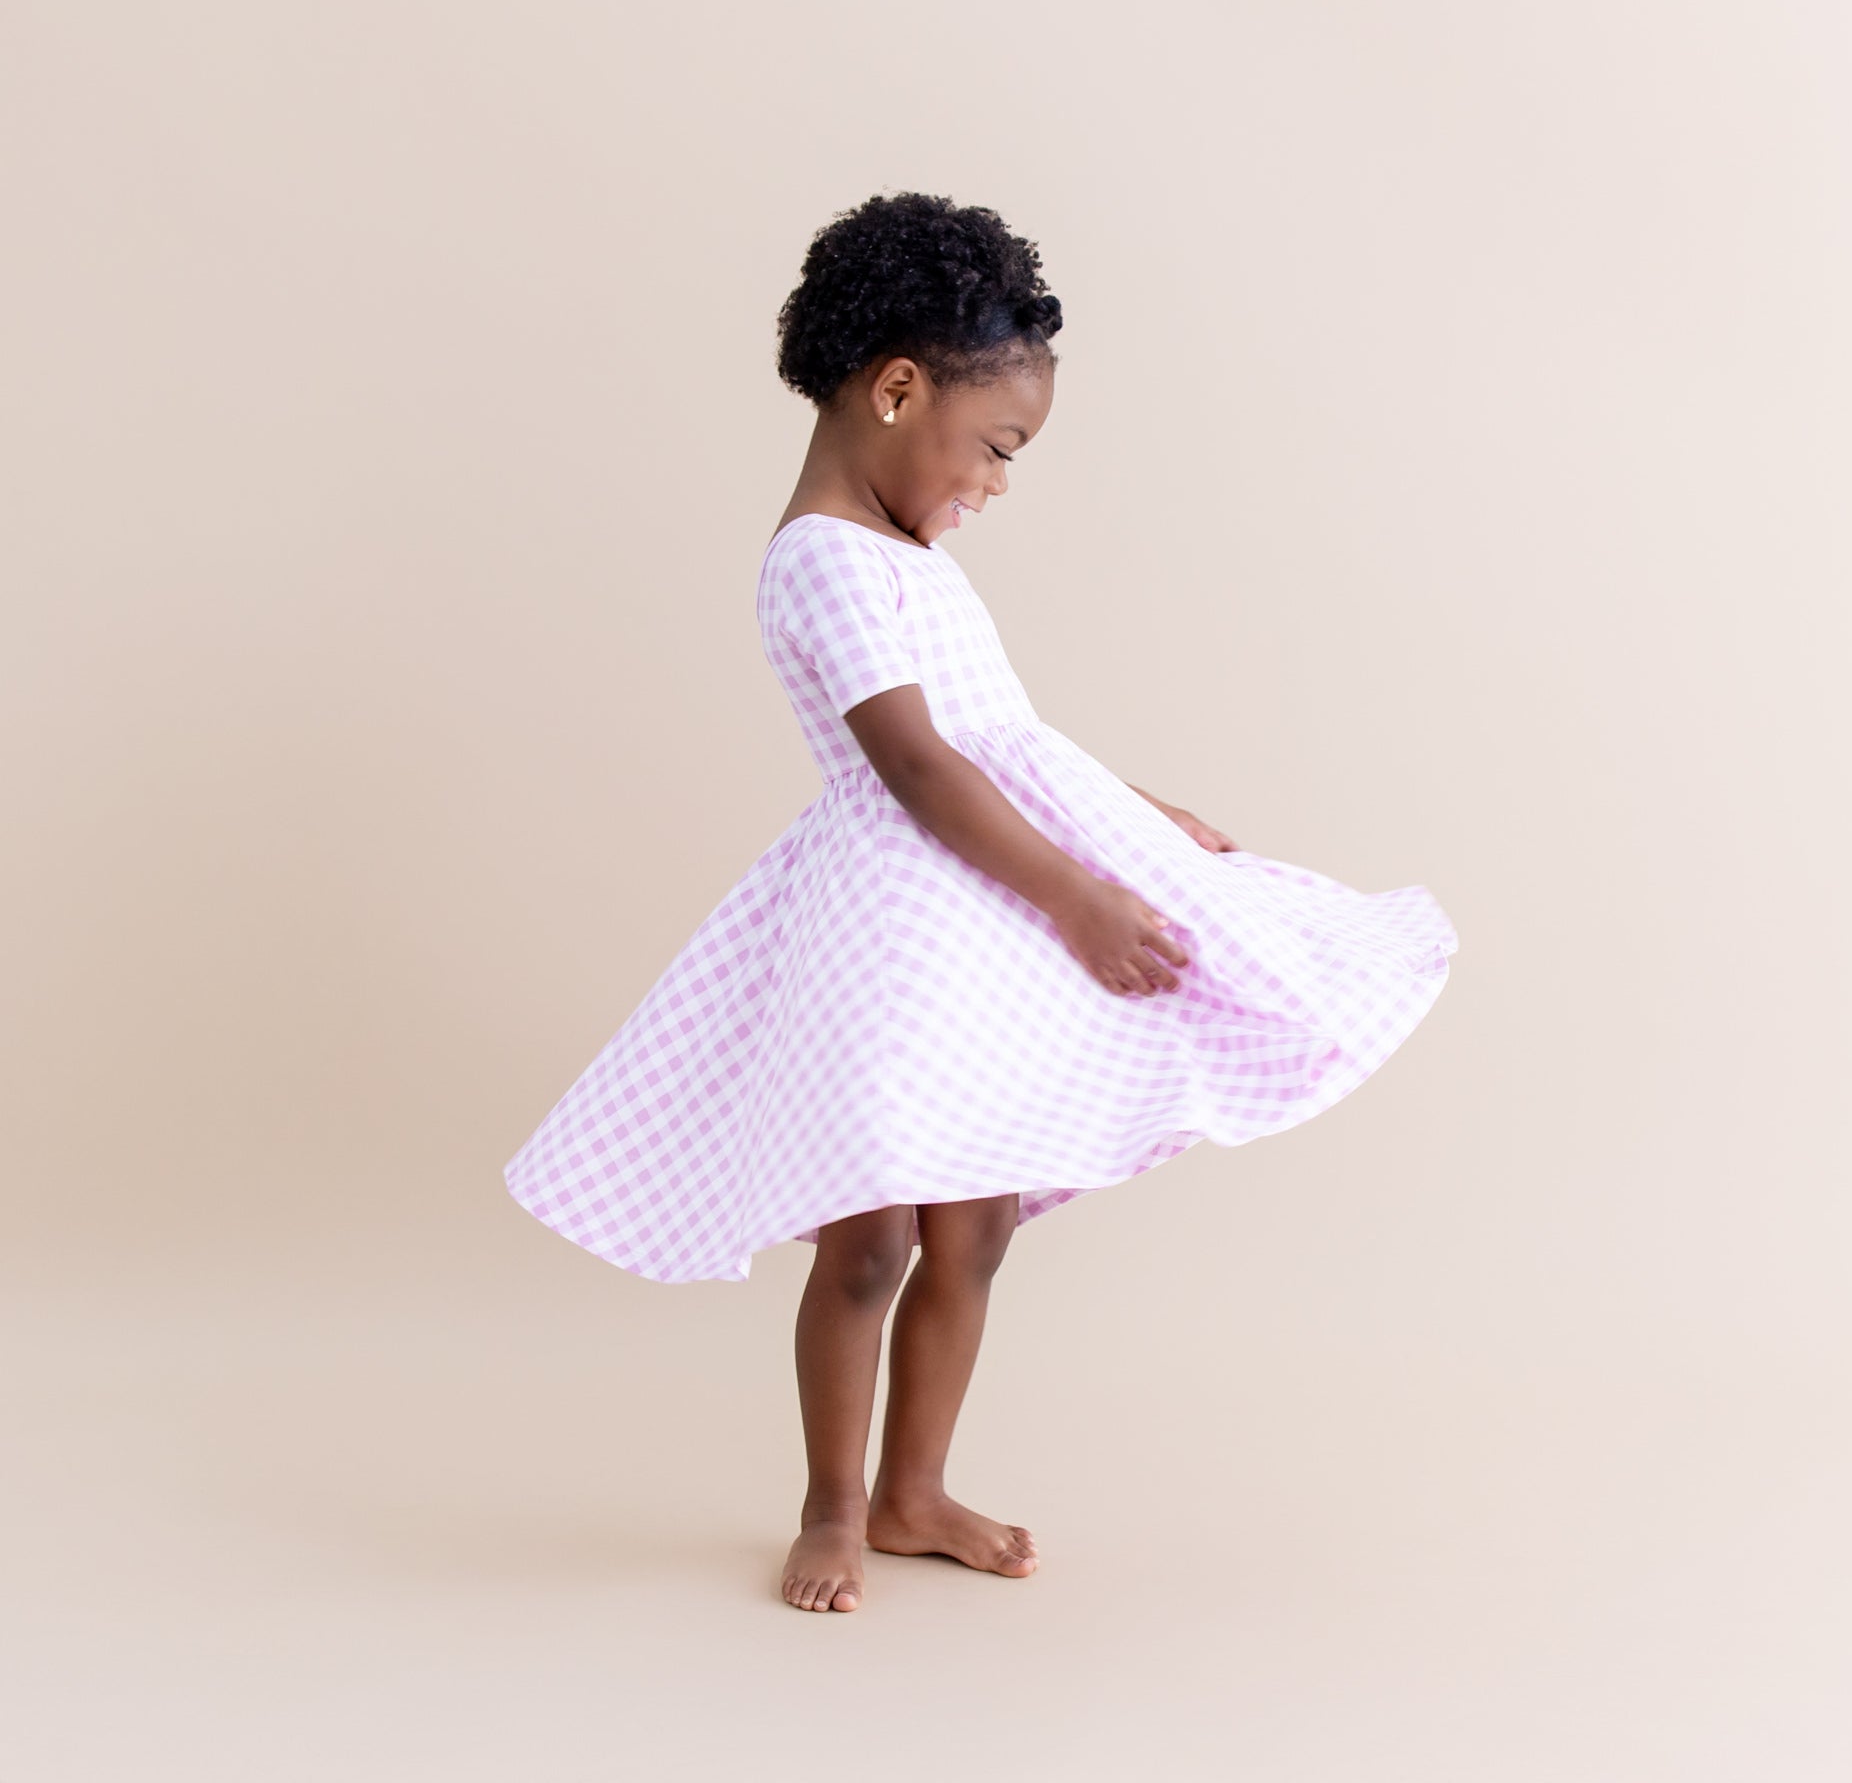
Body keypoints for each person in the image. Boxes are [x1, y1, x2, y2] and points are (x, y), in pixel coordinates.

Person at [502, 191, 1459, 1615]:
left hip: (977, 910)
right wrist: (1079, 897)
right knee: (871, 1238)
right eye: (999, 446)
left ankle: (913, 1490)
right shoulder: (824, 557)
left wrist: (1134, 811)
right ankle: (833, 1506)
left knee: (976, 1224)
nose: (1002, 484)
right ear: (898, 390)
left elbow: (1005, 737)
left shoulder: (911, 562)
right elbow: (918, 764)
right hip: (901, 922)